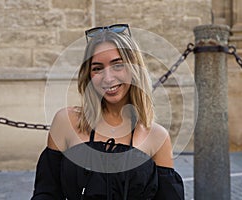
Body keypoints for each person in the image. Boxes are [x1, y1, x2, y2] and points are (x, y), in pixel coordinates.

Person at [31, 24, 184, 200]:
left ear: (134, 70)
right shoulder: (66, 122)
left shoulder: (157, 136)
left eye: (117, 65)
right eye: (97, 68)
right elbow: (46, 193)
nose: (108, 77)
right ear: (88, 75)